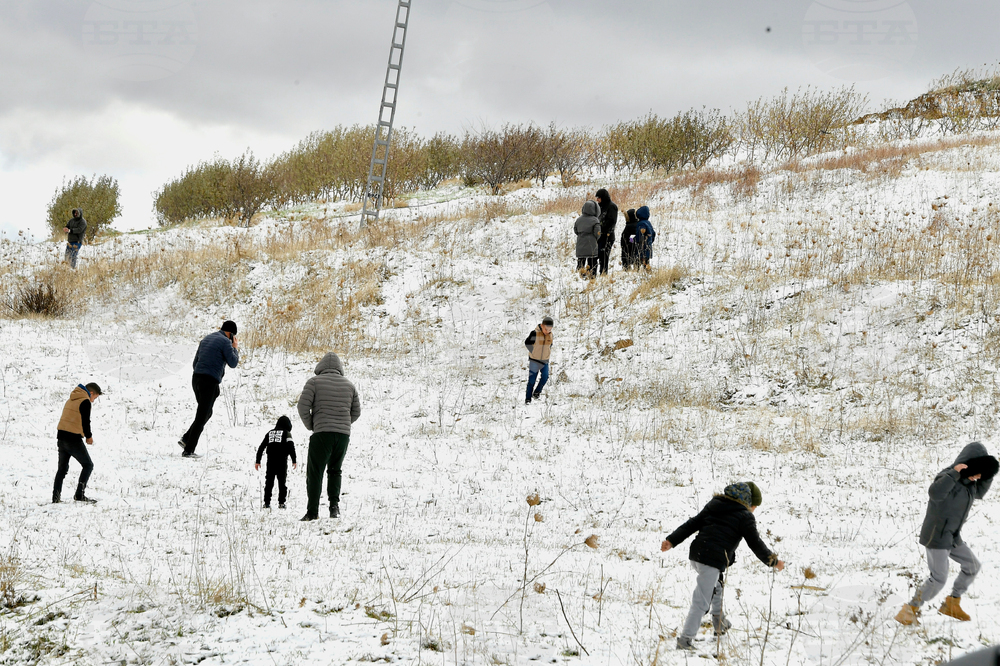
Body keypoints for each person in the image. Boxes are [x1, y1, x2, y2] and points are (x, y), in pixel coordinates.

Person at [661, 482, 784, 651]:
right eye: (754, 505)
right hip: (711, 560)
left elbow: (692, 523)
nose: (754, 509)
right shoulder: (745, 516)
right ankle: (685, 640)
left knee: (717, 586)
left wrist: (672, 540)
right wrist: (773, 561)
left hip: (697, 555)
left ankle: (720, 624)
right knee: (701, 601)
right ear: (747, 502)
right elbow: (755, 543)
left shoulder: (715, 505)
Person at [895, 442, 998, 626]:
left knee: (972, 565)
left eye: (980, 474)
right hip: (937, 536)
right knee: (939, 578)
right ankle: (909, 609)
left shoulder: (971, 485)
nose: (977, 477)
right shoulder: (947, 477)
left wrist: (988, 473)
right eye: (976, 472)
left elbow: (981, 493)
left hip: (952, 536)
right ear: (966, 465)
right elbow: (935, 493)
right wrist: (955, 472)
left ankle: (952, 603)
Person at [297, 352, 361, 521]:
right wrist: (343, 424)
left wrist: (312, 424)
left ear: (321, 366)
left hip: (322, 434)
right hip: (342, 437)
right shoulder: (349, 385)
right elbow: (356, 412)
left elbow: (302, 406)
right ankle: (334, 508)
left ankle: (313, 511)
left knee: (315, 472)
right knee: (335, 470)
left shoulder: (314, 382)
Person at [178, 321, 240, 458]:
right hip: (210, 381)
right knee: (202, 416)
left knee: (205, 413)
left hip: (196, 379)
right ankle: (188, 450)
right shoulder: (226, 342)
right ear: (231, 334)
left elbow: (195, 363)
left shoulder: (206, 338)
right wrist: (234, 347)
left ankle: (187, 438)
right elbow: (233, 363)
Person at [53, 382, 103, 503]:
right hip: (73, 439)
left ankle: (55, 497)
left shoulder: (71, 399)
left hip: (61, 437)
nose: (93, 401)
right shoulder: (84, 401)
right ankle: (79, 495)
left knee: (62, 469)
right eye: (94, 398)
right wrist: (89, 436)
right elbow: (86, 421)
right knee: (88, 465)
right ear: (91, 393)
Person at [255, 416, 297, 509]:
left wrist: (258, 461)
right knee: (282, 482)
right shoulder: (287, 433)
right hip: (282, 461)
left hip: (270, 461)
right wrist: (294, 460)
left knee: (269, 482)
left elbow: (261, 447)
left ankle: (266, 503)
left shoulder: (269, 433)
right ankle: (281, 503)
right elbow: (291, 446)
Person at [524, 316, 554, 405]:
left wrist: (546, 353)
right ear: (542, 325)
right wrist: (534, 352)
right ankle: (528, 399)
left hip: (545, 361)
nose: (547, 331)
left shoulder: (551, 335)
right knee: (531, 381)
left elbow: (550, 345)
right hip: (534, 361)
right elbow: (527, 343)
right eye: (546, 329)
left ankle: (537, 393)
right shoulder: (535, 333)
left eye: (550, 329)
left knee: (545, 376)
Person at [574, 200, 601, 279]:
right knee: (592, 262)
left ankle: (580, 278)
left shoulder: (578, 219)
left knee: (581, 262)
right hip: (591, 245)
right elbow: (598, 233)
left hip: (580, 244)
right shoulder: (595, 220)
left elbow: (575, 230)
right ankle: (592, 277)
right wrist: (594, 239)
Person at [594, 189, 618, 276]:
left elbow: (612, 222)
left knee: (604, 256)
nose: (597, 200)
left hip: (608, 236)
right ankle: (596, 273)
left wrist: (602, 229)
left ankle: (603, 274)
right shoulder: (599, 207)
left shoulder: (612, 207)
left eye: (599, 198)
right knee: (598, 255)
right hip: (599, 236)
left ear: (603, 198)